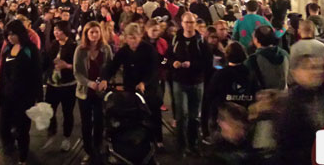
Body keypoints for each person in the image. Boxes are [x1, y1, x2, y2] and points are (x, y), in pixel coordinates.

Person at [100, 23, 163, 148]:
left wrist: (144, 82)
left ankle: (158, 139)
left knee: (153, 111)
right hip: (131, 87)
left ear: (140, 36)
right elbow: (113, 66)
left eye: (134, 37)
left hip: (149, 86)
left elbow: (153, 69)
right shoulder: (124, 51)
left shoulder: (149, 49)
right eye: (129, 37)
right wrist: (105, 79)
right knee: (132, 113)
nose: (132, 40)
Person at [0, 19, 42, 165]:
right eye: (8, 34)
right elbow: (3, 73)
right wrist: (0, 92)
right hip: (8, 97)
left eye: (13, 34)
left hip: (25, 98)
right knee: (4, 126)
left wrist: (38, 98)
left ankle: (23, 162)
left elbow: (37, 74)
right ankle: (10, 151)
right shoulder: (8, 49)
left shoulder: (30, 50)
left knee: (22, 130)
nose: (10, 37)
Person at [167, 12, 213, 155]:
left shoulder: (201, 41)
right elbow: (164, 59)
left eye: (191, 22)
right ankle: (181, 145)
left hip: (196, 82)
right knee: (182, 115)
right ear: (182, 23)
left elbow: (208, 61)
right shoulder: (175, 40)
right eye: (186, 22)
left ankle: (193, 144)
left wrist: (192, 64)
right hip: (179, 81)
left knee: (194, 116)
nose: (189, 25)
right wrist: (172, 63)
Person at [73, 21, 113, 165]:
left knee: (99, 121)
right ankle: (88, 151)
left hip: (100, 92)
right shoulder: (80, 50)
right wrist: (89, 83)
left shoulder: (106, 49)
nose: (94, 35)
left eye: (97, 32)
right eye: (91, 32)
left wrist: (105, 80)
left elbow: (110, 67)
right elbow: (77, 72)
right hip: (84, 92)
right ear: (86, 34)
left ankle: (98, 147)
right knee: (86, 122)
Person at [205, 42, 255, 140]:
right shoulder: (250, 73)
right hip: (244, 117)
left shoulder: (220, 74)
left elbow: (210, 96)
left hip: (224, 119)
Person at [43, 21, 78, 152]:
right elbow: (47, 61)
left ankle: (66, 138)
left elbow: (79, 66)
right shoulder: (53, 44)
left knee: (67, 112)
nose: (56, 33)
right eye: (55, 30)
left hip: (68, 85)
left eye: (58, 30)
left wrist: (67, 66)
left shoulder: (73, 46)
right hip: (52, 84)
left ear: (65, 31)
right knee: (49, 110)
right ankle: (51, 133)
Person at [244, 26, 289, 91]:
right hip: (284, 96)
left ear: (256, 40)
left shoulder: (252, 59)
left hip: (264, 98)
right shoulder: (284, 54)